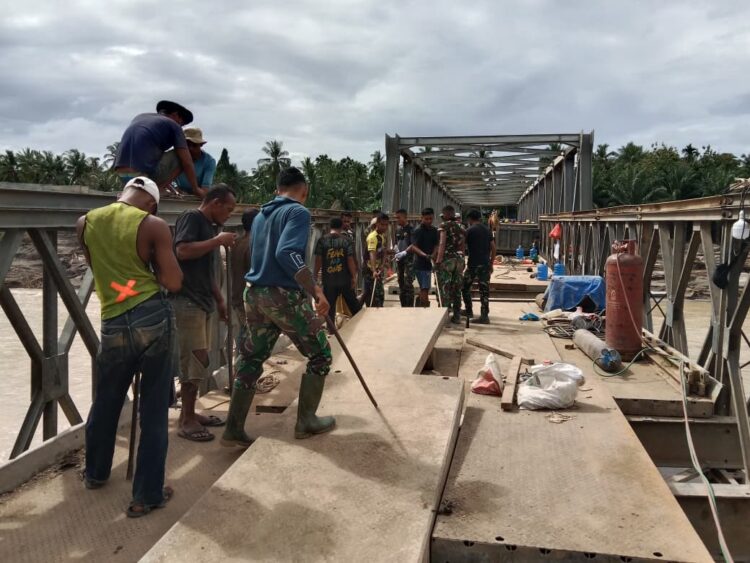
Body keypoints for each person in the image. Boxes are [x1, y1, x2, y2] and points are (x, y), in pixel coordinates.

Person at [77, 176, 183, 518]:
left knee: (106, 399)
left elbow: (101, 272)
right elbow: (173, 281)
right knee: (153, 408)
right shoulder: (153, 225)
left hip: (112, 319)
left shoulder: (85, 223)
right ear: (151, 203)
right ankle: (146, 496)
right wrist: (151, 267)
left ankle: (95, 474)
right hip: (152, 316)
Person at [221, 167, 334, 447]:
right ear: (304, 190)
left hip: (254, 294)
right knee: (320, 355)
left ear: (277, 189)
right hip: (282, 295)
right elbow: (287, 253)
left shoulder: (261, 215)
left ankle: (233, 429)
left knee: (251, 358)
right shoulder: (298, 212)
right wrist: (316, 289)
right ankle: (306, 421)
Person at [172, 184, 237, 442]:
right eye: (228, 209)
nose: (228, 215)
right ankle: (186, 420)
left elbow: (207, 270)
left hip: (202, 301)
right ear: (215, 203)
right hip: (187, 301)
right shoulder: (191, 217)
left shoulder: (209, 227)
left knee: (200, 360)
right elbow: (182, 251)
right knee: (194, 359)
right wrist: (218, 241)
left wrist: (219, 300)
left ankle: (189, 413)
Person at [114, 100, 200, 194]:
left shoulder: (140, 117)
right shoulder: (174, 125)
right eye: (181, 123)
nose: (180, 126)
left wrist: (171, 189)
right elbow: (187, 162)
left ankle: (160, 187)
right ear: (175, 115)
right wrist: (196, 189)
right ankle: (159, 189)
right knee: (185, 155)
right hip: (141, 174)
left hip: (121, 173)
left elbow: (155, 161)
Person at [314, 217, 360, 320]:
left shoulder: (322, 241)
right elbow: (350, 260)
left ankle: (331, 329)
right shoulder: (347, 241)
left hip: (329, 281)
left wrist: (315, 275)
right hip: (345, 280)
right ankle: (361, 324)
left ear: (330, 226)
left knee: (329, 309)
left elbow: (318, 260)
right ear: (341, 226)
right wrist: (354, 276)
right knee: (354, 306)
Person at [156, 127, 216, 198]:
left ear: (201, 145)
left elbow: (205, 191)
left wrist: (196, 191)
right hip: (174, 194)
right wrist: (175, 190)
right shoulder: (173, 156)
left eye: (194, 145)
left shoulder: (209, 161)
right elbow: (162, 179)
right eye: (187, 145)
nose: (190, 148)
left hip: (195, 197)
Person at [461, 209, 496, 324]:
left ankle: (469, 311)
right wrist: (491, 263)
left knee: (465, 287)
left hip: (473, 265)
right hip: (485, 265)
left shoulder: (469, 231)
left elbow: (462, 247)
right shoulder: (487, 230)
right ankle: (484, 316)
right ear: (479, 218)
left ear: (469, 219)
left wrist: (462, 262)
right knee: (484, 291)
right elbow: (493, 248)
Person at [435, 205, 466, 323]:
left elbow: (442, 243)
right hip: (458, 260)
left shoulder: (444, 226)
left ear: (446, 214)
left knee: (445, 288)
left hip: (447, 260)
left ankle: (445, 315)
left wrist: (438, 261)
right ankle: (457, 316)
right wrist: (463, 259)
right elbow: (462, 244)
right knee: (457, 288)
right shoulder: (460, 227)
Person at [231, 208, 260, 325]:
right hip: (251, 300)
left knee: (244, 330)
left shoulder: (237, 243)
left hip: (238, 297)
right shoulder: (254, 244)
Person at [407, 208, 439, 307]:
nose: (429, 221)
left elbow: (436, 245)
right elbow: (414, 247)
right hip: (420, 263)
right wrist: (425, 255)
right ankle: (424, 306)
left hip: (429, 262)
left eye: (431, 218)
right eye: (426, 219)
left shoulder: (434, 230)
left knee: (425, 288)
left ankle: (419, 303)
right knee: (425, 288)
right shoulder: (417, 231)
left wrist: (433, 254)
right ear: (422, 218)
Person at [363, 213, 389, 307]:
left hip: (377, 269)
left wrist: (382, 264)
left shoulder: (382, 236)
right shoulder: (372, 237)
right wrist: (374, 270)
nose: (384, 227)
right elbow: (372, 253)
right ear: (377, 224)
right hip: (370, 269)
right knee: (373, 295)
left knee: (379, 295)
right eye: (382, 224)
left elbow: (384, 250)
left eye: (386, 225)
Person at [393, 208, 415, 307]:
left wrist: (404, 252)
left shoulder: (411, 229)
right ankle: (403, 306)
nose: (397, 220)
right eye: (396, 218)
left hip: (409, 260)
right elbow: (395, 242)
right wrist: (396, 250)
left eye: (399, 218)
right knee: (401, 283)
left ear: (405, 217)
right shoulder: (398, 229)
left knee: (408, 283)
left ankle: (409, 307)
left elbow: (414, 244)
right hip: (400, 260)